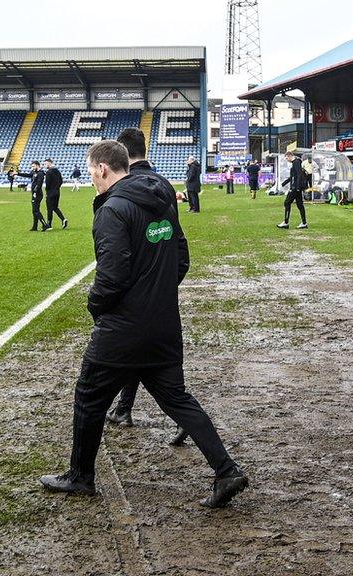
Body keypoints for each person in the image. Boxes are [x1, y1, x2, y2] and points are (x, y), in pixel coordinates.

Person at [38, 139, 249, 508]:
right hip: (164, 321)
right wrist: (157, 291)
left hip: (122, 328)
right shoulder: (164, 199)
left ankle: (80, 476)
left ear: (103, 168)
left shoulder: (112, 209)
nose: (91, 179)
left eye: (91, 172)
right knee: (176, 399)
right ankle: (226, 470)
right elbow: (181, 257)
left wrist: (96, 306)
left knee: (88, 398)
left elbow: (112, 274)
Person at [105, 127, 186, 444]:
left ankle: (161, 411)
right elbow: (176, 240)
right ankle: (126, 407)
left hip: (137, 286)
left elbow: (118, 249)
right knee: (163, 350)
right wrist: (166, 281)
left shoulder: (124, 187)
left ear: (122, 153)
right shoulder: (164, 184)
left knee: (135, 347)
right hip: (162, 283)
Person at [278, 152, 308, 229]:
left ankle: (286, 222)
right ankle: (304, 223)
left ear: (290, 156)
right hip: (296, 187)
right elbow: (292, 176)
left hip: (295, 188)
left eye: (287, 158)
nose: (287, 160)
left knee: (287, 202)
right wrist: (284, 183)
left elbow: (299, 175)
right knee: (299, 204)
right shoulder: (296, 162)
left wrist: (297, 187)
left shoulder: (296, 162)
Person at [16, 161, 49, 231]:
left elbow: (39, 184)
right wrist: (17, 173)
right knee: (34, 210)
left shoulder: (40, 174)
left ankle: (45, 224)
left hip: (37, 194)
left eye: (33, 166)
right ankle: (35, 226)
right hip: (34, 194)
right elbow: (28, 175)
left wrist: (35, 192)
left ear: (37, 166)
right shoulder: (34, 172)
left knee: (35, 210)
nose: (32, 168)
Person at [43, 158, 67, 230]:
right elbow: (61, 181)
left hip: (50, 192)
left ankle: (49, 224)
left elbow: (47, 183)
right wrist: (57, 187)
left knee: (49, 208)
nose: (44, 165)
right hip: (57, 192)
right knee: (55, 207)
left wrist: (47, 191)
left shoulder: (49, 172)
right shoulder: (57, 171)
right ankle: (63, 219)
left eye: (45, 164)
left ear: (49, 163)